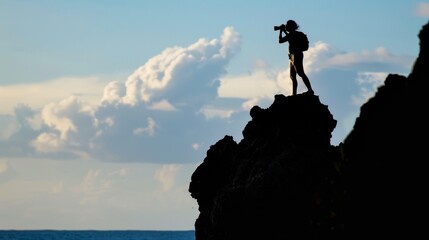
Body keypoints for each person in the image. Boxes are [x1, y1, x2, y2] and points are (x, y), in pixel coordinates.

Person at [278, 20, 314, 95]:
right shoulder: (295, 34)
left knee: (300, 73)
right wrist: (284, 31)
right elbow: (289, 39)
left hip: (295, 55)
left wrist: (281, 31)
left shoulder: (291, 35)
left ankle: (310, 90)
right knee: (293, 76)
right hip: (293, 56)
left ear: (290, 26)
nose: (286, 26)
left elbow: (280, 41)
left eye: (287, 25)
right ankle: (294, 93)